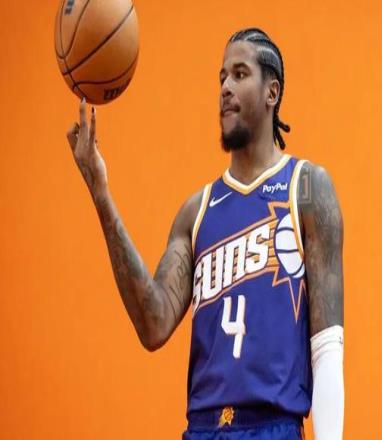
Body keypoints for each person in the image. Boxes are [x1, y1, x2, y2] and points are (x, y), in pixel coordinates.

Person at [66, 27, 344, 440]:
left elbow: (327, 348)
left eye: (240, 74)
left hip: (273, 426)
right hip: (203, 429)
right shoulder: (197, 211)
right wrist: (101, 195)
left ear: (272, 92)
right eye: (221, 78)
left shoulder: (305, 187)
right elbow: (153, 323)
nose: (225, 88)